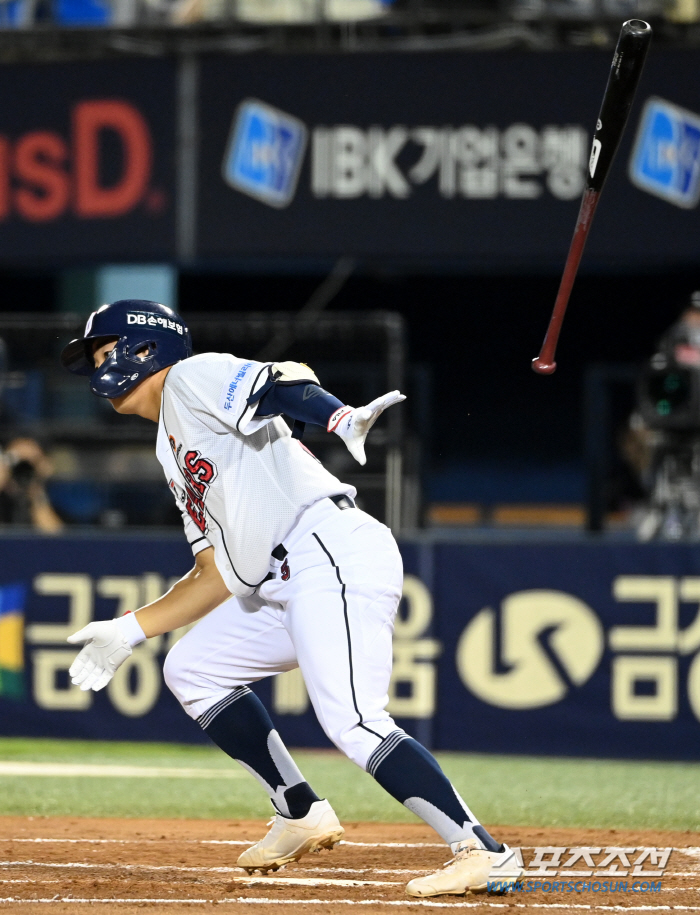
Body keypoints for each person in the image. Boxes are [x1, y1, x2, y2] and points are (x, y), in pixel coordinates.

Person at [61, 299, 522, 898]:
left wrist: (337, 418)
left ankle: (481, 851)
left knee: (354, 720)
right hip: (280, 581)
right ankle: (299, 809)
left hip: (325, 549)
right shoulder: (169, 447)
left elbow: (279, 383)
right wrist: (128, 630)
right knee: (194, 668)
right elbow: (213, 573)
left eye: (104, 352)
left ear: (143, 348)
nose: (99, 368)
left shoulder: (189, 376)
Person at [0, 437, 64, 532]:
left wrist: (36, 491)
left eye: (30, 462)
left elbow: (58, 540)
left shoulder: (57, 492)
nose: (23, 468)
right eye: (17, 461)